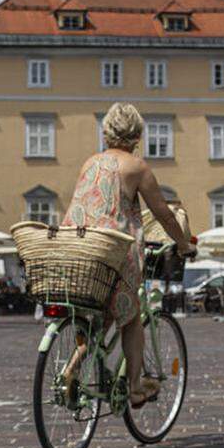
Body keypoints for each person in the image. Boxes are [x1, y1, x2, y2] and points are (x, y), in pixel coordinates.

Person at [61, 102, 194, 409]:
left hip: (79, 248)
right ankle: (134, 388)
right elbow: (163, 214)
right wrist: (183, 244)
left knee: (100, 319)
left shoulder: (89, 163)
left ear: (106, 132)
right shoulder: (137, 167)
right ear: (137, 135)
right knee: (131, 318)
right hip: (114, 251)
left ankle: (70, 370)